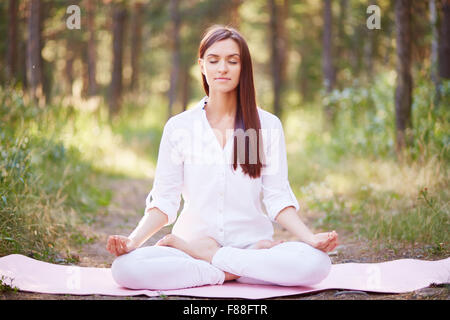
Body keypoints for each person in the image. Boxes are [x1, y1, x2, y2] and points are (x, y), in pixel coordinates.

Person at [106, 25, 338, 290]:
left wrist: (310, 238)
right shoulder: (179, 127)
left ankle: (213, 261)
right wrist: (133, 241)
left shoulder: (268, 125)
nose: (222, 68)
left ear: (244, 68)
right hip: (189, 246)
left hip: (250, 245)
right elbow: (164, 201)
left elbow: (278, 197)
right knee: (125, 269)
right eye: (214, 60)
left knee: (316, 264)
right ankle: (234, 270)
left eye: (232, 61)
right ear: (202, 66)